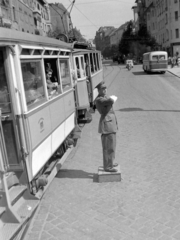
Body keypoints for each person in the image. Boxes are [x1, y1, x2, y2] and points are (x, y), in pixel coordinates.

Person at [95, 81, 118, 172]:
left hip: (111, 125)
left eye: (105, 88)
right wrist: (112, 98)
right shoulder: (99, 100)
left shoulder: (104, 98)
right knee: (108, 147)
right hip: (107, 126)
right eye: (102, 89)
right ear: (99, 90)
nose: (105, 90)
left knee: (112, 146)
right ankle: (108, 166)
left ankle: (110, 162)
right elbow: (111, 100)